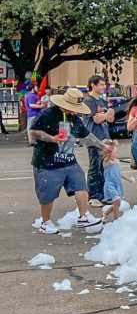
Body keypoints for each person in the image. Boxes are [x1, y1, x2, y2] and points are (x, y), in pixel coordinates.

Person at [28, 87, 106, 233]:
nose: (73, 111)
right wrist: (51, 138)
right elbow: (33, 132)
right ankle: (46, 222)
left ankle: (83, 216)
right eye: (71, 108)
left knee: (80, 185)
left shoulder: (74, 119)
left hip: (69, 159)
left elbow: (86, 136)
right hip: (47, 162)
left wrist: (102, 146)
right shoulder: (47, 114)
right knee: (47, 195)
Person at [83, 75, 115, 207]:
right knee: (94, 167)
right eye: (101, 85)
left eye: (104, 85)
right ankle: (93, 196)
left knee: (103, 168)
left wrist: (106, 116)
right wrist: (106, 116)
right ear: (92, 85)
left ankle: (102, 194)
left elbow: (111, 118)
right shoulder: (89, 101)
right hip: (94, 138)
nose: (104, 87)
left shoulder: (102, 102)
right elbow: (96, 119)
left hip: (105, 137)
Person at [100, 140, 129, 222]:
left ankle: (105, 213)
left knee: (117, 203)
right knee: (117, 201)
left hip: (117, 184)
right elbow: (108, 157)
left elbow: (119, 173)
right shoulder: (107, 161)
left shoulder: (117, 161)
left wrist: (129, 179)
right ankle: (117, 219)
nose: (117, 153)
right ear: (108, 152)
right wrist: (111, 146)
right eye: (115, 152)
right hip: (110, 185)